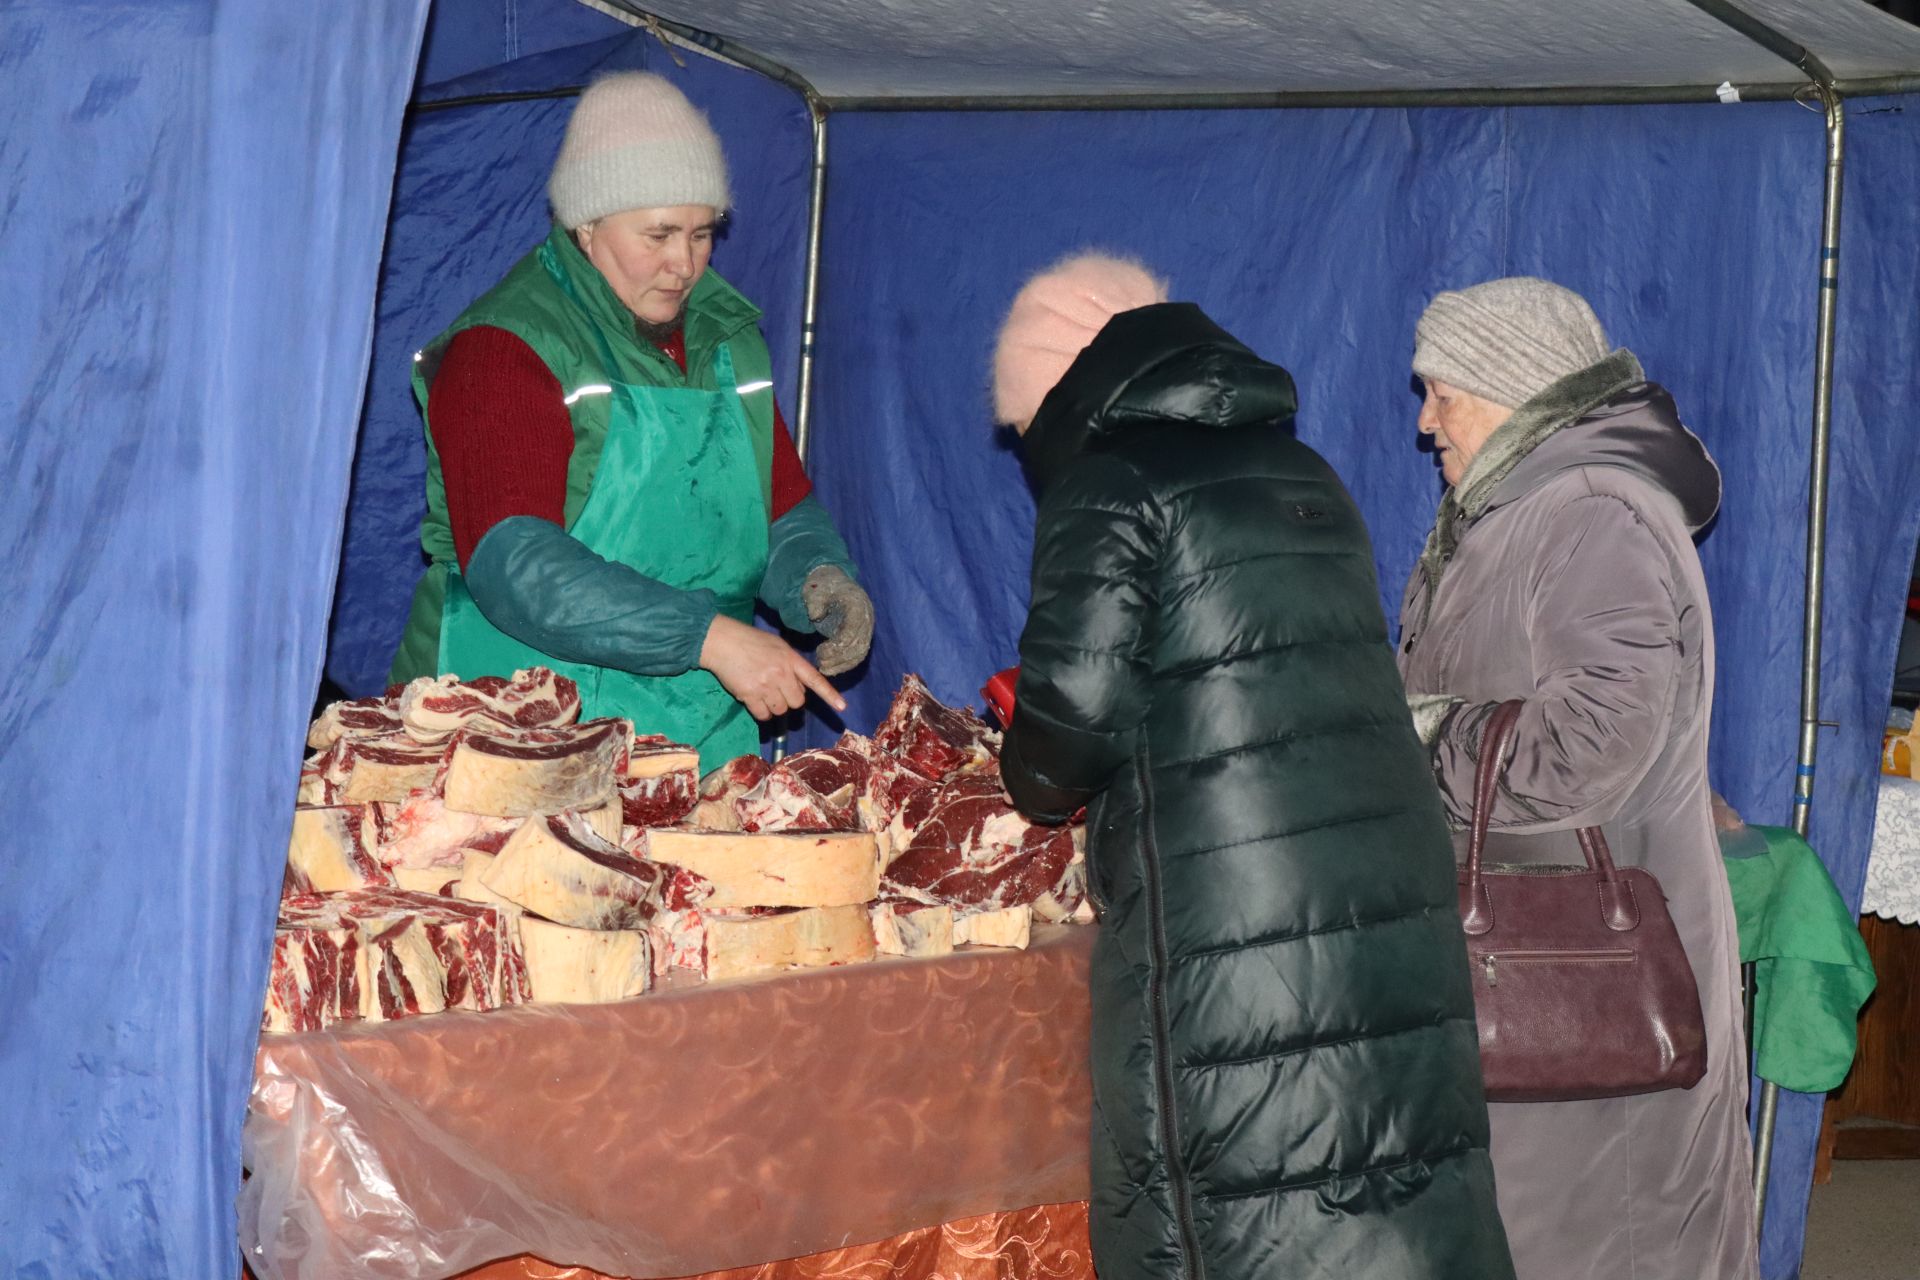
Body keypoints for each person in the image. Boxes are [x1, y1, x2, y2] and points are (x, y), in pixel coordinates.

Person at [993, 255, 1515, 1280]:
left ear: (1064, 387)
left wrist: (1025, 772)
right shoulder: (1305, 474)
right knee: (1383, 1172)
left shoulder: (1112, 486)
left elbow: (1072, 724)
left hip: (1230, 908)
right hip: (1377, 885)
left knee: (1235, 1199)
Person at [1397, 276, 1758, 1279]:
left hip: (1597, 978)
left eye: (1441, 391)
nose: (1424, 420)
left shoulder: (1594, 514)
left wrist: (1421, 734)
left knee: (1610, 1243)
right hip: (1536, 964)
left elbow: (1590, 745)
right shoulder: (1524, 510)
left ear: (1509, 382)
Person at [390, 73, 871, 769]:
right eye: (659, 235)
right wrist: (712, 638)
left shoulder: (728, 340)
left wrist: (820, 576)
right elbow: (515, 563)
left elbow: (776, 505)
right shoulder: (505, 348)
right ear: (588, 223)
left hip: (687, 730)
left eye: (703, 232)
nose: (685, 264)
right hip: (516, 730)